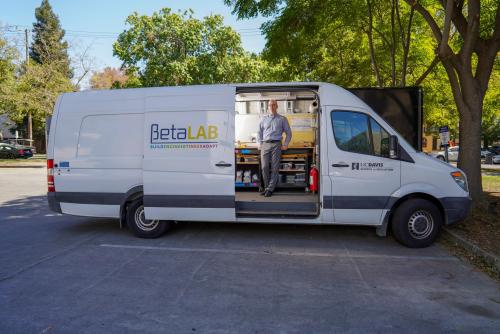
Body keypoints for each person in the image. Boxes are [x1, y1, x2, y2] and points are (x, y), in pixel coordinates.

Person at [257, 99, 292, 197]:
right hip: (265, 144)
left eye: (273, 105)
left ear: (277, 106)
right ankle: (267, 187)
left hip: (276, 144)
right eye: (269, 105)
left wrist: (285, 144)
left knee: (275, 168)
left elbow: (289, 133)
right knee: (264, 167)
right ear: (267, 107)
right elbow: (259, 132)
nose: (271, 107)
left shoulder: (282, 119)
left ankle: (270, 189)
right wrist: (259, 143)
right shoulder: (263, 119)